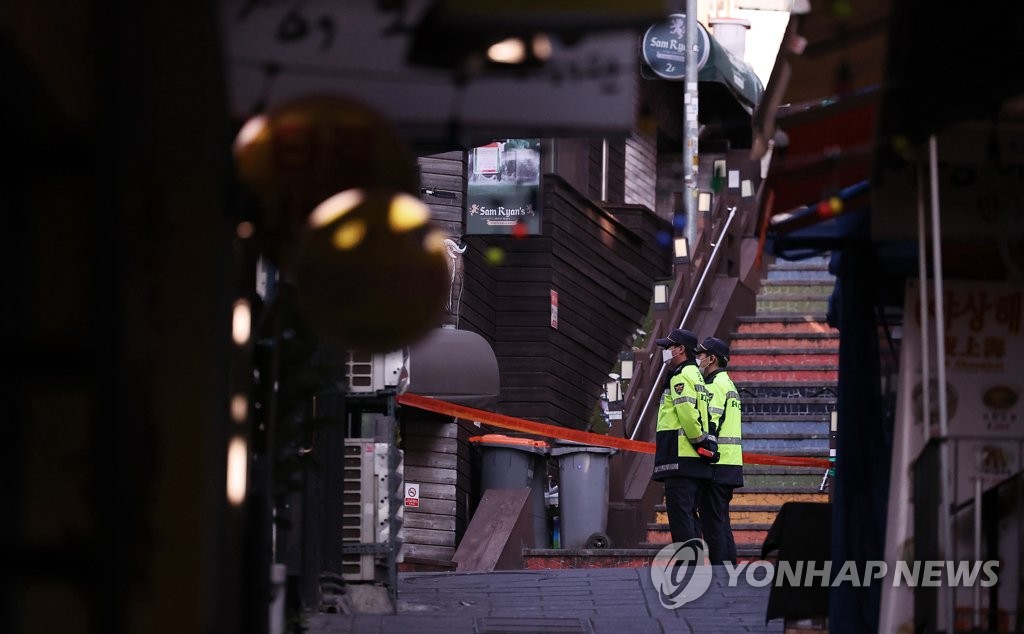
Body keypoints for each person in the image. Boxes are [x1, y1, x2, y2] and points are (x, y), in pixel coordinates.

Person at [651, 328, 712, 544]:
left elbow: (687, 413)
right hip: (693, 459)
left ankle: (688, 562)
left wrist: (699, 442)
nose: (665, 352)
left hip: (680, 458)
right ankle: (693, 560)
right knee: (689, 513)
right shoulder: (696, 375)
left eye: (668, 347)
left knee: (680, 514)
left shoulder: (682, 376)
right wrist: (703, 446)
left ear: (680, 349)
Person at [695, 336, 744, 564]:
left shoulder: (714, 386)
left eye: (701, 355)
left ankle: (719, 573)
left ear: (712, 358)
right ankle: (729, 568)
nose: (698, 359)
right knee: (722, 522)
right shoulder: (729, 384)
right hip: (731, 463)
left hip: (717, 463)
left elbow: (709, 425)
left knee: (713, 524)